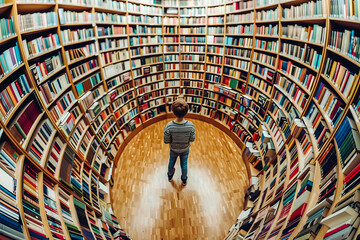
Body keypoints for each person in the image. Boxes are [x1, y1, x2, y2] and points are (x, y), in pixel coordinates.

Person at [164, 98, 195, 186]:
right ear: (186, 112)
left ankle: (170, 176)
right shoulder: (190, 125)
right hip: (185, 149)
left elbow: (166, 141)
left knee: (171, 162)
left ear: (173, 111)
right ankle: (184, 180)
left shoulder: (169, 126)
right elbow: (192, 139)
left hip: (173, 149)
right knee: (184, 165)